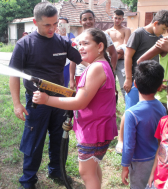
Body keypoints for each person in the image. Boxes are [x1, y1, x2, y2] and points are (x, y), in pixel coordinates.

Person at [9, 3, 87, 189]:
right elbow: (14, 75)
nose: (53, 28)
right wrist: (17, 104)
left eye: (55, 24)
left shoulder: (62, 42)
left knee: (60, 138)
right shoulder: (24, 45)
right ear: (35, 22)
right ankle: (28, 180)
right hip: (37, 102)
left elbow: (83, 59)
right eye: (47, 25)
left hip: (61, 100)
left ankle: (57, 170)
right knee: (34, 140)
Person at [33, 28, 118, 189]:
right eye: (79, 44)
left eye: (86, 43)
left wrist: (47, 99)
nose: (81, 47)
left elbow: (79, 103)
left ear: (100, 47)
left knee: (86, 172)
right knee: (93, 167)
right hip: (100, 128)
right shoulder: (101, 65)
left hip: (94, 130)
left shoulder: (96, 68)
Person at [115, 10, 168, 154]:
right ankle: (121, 141)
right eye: (164, 28)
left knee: (142, 113)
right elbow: (128, 57)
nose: (165, 32)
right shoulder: (138, 33)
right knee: (130, 111)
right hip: (136, 81)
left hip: (150, 82)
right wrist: (129, 78)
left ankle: (137, 142)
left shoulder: (159, 37)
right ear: (155, 23)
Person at [121, 60, 167, 188]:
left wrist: (125, 166)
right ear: (159, 87)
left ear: (135, 84)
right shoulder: (161, 107)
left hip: (139, 163)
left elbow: (129, 145)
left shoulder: (131, 113)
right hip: (157, 157)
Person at [69, 9, 117, 89]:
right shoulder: (77, 39)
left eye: (90, 18)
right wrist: (71, 79)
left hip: (100, 73)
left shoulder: (103, 36)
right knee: (83, 99)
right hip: (81, 74)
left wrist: (112, 71)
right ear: (80, 22)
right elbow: (73, 60)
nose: (88, 21)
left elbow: (113, 53)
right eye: (85, 19)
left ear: (94, 20)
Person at [106, 9, 131, 99]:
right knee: (109, 86)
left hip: (121, 61)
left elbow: (125, 47)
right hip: (109, 60)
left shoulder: (126, 30)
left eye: (119, 18)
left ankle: (128, 107)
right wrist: (113, 57)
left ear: (122, 19)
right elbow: (107, 48)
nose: (117, 20)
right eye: (115, 18)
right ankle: (113, 108)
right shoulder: (108, 31)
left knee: (124, 86)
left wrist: (115, 56)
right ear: (113, 18)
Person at [56, 17, 75, 88]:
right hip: (55, 66)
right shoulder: (53, 37)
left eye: (64, 24)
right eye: (60, 24)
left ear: (67, 26)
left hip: (67, 65)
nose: (62, 27)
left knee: (64, 86)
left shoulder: (71, 37)